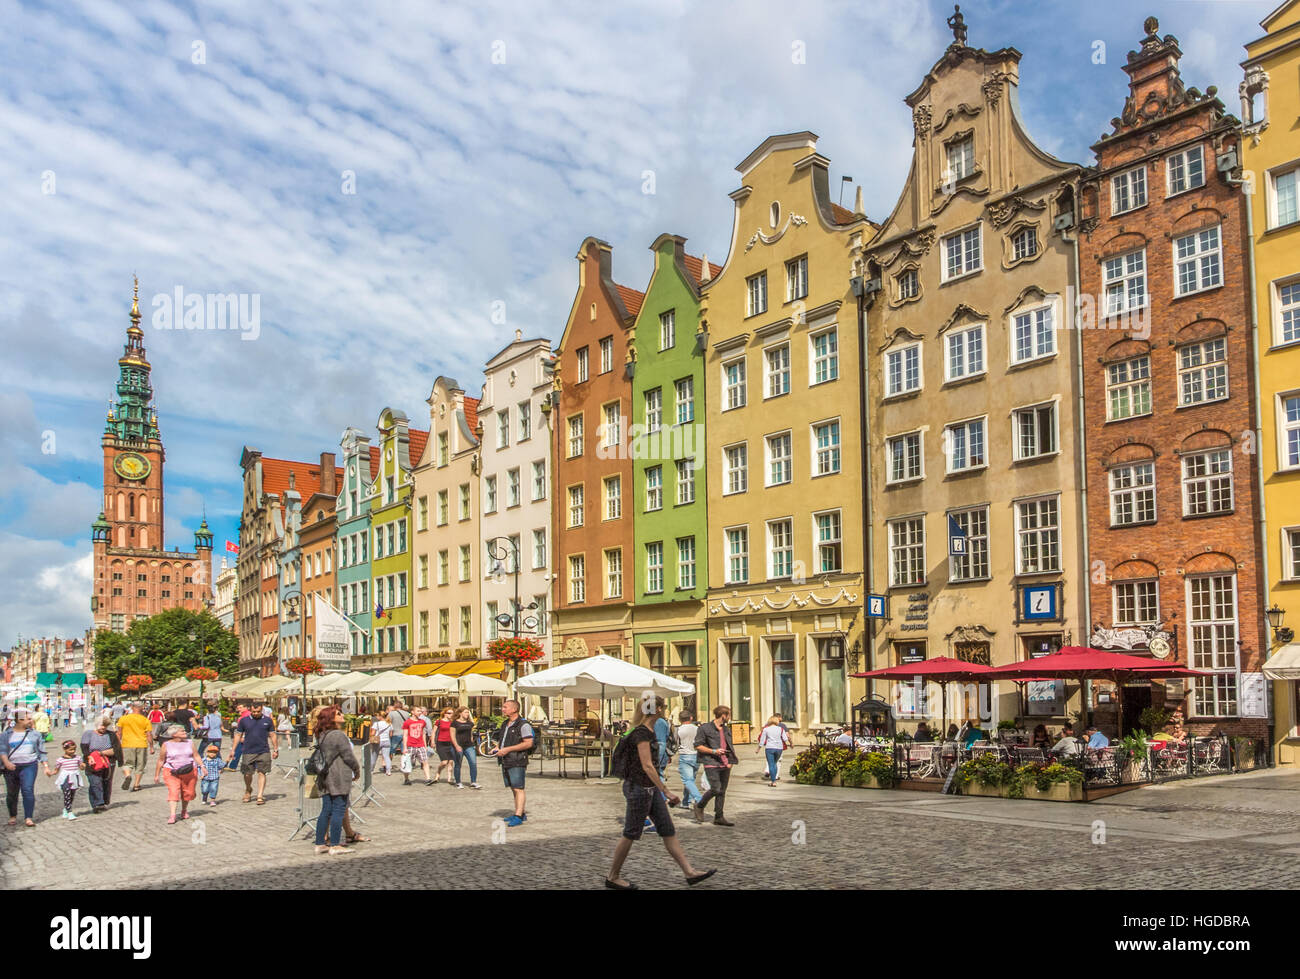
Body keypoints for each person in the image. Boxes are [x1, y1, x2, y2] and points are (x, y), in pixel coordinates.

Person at [604, 697, 717, 890]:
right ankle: (613, 877)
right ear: (656, 709)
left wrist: (660, 790)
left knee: (667, 829)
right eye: (663, 707)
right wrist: (666, 790)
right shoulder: (641, 733)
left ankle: (689, 872)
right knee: (630, 833)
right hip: (639, 789)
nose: (664, 710)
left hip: (650, 789)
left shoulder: (647, 730)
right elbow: (647, 765)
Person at [312, 706, 360, 856]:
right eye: (338, 713)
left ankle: (320, 843)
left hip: (324, 775)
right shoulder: (338, 735)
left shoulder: (322, 734)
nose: (342, 715)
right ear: (331, 718)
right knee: (339, 808)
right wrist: (357, 770)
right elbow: (348, 756)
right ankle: (335, 845)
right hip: (338, 775)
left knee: (326, 809)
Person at [693, 705, 737, 826]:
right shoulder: (705, 728)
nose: (729, 717)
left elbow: (730, 746)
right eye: (729, 715)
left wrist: (731, 762)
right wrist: (713, 751)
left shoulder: (727, 729)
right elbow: (697, 745)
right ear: (724, 716)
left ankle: (719, 817)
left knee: (722, 791)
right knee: (715, 788)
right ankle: (699, 805)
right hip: (711, 762)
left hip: (725, 763)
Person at [492, 699, 534, 826]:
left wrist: (507, 749)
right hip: (506, 760)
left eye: (505, 707)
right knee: (513, 788)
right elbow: (503, 740)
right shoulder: (505, 723)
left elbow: (528, 743)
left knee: (518, 788)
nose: (503, 709)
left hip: (517, 759)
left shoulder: (523, 725)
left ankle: (518, 816)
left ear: (514, 709)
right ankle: (519, 812)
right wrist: (498, 748)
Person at [2, 712, 48, 826]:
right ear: (20, 720)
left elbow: (41, 751)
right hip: (11, 767)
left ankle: (28, 817)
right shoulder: (6, 734)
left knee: (27, 790)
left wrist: (45, 766)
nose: (31, 721)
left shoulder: (35, 734)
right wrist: (6, 762)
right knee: (12, 792)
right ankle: (13, 815)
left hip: (29, 765)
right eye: (28, 719)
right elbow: (2, 750)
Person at [154, 724, 203, 824]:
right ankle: (172, 815)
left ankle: (184, 810)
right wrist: (157, 775)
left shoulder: (190, 742)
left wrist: (202, 766)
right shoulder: (166, 744)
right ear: (174, 734)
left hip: (189, 770)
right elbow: (161, 760)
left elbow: (196, 756)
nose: (185, 732)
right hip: (171, 771)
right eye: (182, 731)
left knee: (188, 792)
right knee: (173, 791)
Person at [230, 701, 277, 804]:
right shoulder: (244, 720)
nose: (256, 713)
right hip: (248, 750)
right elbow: (238, 735)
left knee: (262, 772)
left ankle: (260, 795)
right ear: (250, 710)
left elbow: (272, 734)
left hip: (263, 750)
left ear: (262, 710)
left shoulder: (268, 720)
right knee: (247, 773)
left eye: (258, 711)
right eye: (254, 711)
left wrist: (275, 749)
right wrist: (233, 749)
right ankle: (248, 789)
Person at [80, 712, 122, 813]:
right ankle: (97, 803)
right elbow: (84, 748)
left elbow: (116, 749)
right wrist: (90, 756)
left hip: (108, 762)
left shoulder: (111, 735)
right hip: (92, 762)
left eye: (105, 726)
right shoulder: (88, 734)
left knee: (106, 782)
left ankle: (103, 801)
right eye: (101, 725)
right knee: (95, 782)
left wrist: (102, 753)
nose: (103, 727)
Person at [116, 702, 153, 792]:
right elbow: (149, 735)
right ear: (142, 708)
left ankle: (128, 775)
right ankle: (136, 785)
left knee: (127, 764)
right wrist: (151, 746)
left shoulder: (123, 719)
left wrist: (117, 745)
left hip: (127, 744)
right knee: (140, 765)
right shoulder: (145, 720)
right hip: (141, 744)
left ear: (132, 707)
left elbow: (119, 733)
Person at [673, 711, 704, 811]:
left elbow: (675, 742)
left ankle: (699, 799)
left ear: (680, 719)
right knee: (691, 780)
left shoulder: (678, 729)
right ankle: (686, 802)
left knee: (687, 781)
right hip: (696, 756)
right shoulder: (698, 729)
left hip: (685, 755)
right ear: (691, 718)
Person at [49, 739, 86, 819]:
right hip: (66, 778)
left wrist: (83, 766)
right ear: (65, 749)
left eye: (74, 749)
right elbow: (56, 770)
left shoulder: (78, 758)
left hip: (74, 777)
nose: (73, 751)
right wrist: (51, 773)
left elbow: (81, 767)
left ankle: (66, 809)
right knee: (67, 793)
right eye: (70, 750)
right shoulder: (60, 760)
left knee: (72, 794)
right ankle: (70, 812)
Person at [401, 707, 433, 786]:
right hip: (410, 745)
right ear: (412, 712)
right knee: (409, 763)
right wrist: (404, 747)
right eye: (418, 711)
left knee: (425, 761)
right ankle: (406, 779)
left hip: (420, 745)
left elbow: (423, 734)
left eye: (421, 711)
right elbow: (405, 735)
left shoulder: (422, 722)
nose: (420, 712)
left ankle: (428, 779)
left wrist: (425, 745)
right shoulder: (407, 722)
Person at [451, 706, 480, 789]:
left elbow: (470, 734)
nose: (467, 714)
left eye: (468, 712)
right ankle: (458, 782)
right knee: (458, 764)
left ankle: (473, 781)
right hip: (458, 745)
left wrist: (472, 742)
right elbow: (452, 735)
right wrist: (456, 745)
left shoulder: (470, 723)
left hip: (469, 746)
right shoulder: (454, 723)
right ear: (460, 713)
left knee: (473, 763)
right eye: (466, 712)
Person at [757, 715, 786, 787]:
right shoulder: (781, 729)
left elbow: (762, 740)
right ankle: (774, 779)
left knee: (771, 764)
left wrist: (758, 749)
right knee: (775, 763)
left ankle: (773, 781)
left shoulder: (766, 729)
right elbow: (785, 739)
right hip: (779, 748)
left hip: (770, 748)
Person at [432, 706, 457, 784]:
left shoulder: (454, 722)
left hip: (451, 743)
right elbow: (433, 732)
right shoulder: (439, 722)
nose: (451, 715)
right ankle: (438, 772)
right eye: (449, 713)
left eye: (452, 713)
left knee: (451, 762)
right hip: (441, 743)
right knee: (444, 762)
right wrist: (432, 741)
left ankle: (449, 778)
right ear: (444, 713)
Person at [370, 711, 393, 775]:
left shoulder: (376, 724)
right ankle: (388, 771)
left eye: (377, 716)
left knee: (374, 756)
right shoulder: (389, 724)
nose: (377, 717)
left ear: (380, 716)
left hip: (378, 741)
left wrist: (371, 736)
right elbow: (391, 734)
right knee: (386, 756)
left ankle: (371, 770)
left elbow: (373, 733)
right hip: (387, 741)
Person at [653, 709, 672, 781]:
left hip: (657, 750)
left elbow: (661, 742)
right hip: (662, 749)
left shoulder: (656, 722)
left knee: (657, 773)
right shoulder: (662, 722)